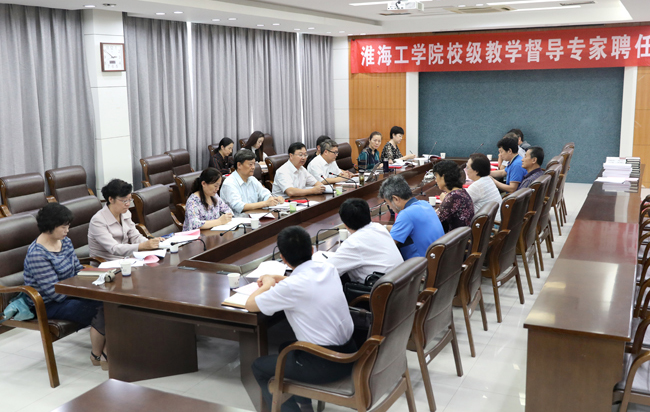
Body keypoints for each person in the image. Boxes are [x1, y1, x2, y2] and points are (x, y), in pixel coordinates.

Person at [247, 226, 356, 412]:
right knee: (286, 348)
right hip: (350, 353)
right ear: (312, 250)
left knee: (259, 367)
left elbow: (250, 304)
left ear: (283, 258)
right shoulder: (328, 268)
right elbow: (305, 286)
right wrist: (280, 279)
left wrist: (267, 284)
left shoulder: (291, 287)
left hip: (325, 364)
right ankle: (305, 407)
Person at [24, 203, 107, 369]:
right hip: (48, 304)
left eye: (68, 226)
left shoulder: (65, 242)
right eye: (63, 227)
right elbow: (55, 293)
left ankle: (106, 352)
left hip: (71, 292)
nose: (67, 230)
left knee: (111, 300)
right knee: (102, 307)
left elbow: (77, 270)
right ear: (50, 227)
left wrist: (99, 278)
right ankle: (99, 355)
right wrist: (85, 290)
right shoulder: (37, 254)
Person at [327, 198, 403, 283]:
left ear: (345, 225)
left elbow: (328, 270)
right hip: (401, 283)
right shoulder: (379, 227)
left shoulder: (354, 243)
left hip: (380, 288)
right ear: (370, 215)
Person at [88, 179, 162, 261]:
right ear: (111, 199)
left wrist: (153, 243)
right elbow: (114, 248)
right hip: (108, 263)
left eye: (130, 199)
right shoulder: (98, 221)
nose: (128, 204)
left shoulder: (126, 213)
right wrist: (143, 246)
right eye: (124, 200)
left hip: (127, 260)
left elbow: (135, 237)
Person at [379, 174, 444, 259]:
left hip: (423, 264)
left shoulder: (406, 215)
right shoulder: (425, 204)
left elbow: (389, 245)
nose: (390, 208)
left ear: (395, 199)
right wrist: (385, 227)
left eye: (388, 203)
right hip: (438, 260)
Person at [221, 149, 284, 215]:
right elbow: (239, 206)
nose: (253, 167)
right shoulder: (229, 183)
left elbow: (265, 194)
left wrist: (274, 199)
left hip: (255, 216)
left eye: (254, 164)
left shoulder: (252, 179)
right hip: (238, 219)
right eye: (250, 164)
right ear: (239, 165)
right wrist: (265, 203)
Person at [433, 160, 474, 232]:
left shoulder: (453, 197)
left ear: (443, 177)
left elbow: (435, 220)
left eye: (436, 176)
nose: (435, 180)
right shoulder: (461, 192)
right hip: (463, 235)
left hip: (456, 237)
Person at [465, 153, 502, 221]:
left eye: (467, 167)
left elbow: (459, 204)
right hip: (495, 221)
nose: (466, 170)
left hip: (490, 225)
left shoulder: (477, 186)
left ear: (476, 171)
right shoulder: (488, 179)